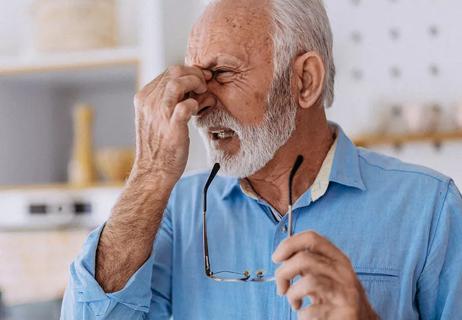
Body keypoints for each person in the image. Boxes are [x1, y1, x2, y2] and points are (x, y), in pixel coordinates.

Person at [60, 0, 462, 319]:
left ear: (304, 81)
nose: (199, 103)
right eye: (196, 77)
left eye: (221, 73)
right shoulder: (173, 211)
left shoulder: (430, 207)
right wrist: (149, 174)